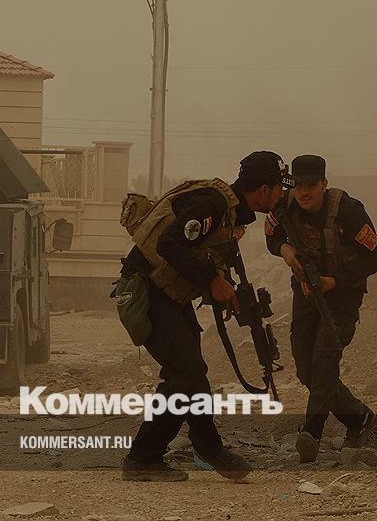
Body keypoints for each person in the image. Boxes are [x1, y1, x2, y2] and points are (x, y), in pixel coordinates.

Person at [117, 151, 287, 482]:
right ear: (264, 189)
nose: (282, 195)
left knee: (192, 372)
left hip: (169, 294)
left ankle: (209, 448)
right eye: (279, 187)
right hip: (146, 290)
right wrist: (212, 281)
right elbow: (170, 244)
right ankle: (143, 457)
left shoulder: (231, 215)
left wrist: (224, 289)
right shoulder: (214, 204)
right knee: (185, 372)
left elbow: (199, 255)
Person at [264, 154, 377, 463]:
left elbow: (376, 258)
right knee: (306, 367)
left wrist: (336, 281)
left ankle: (312, 432)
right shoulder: (285, 205)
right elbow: (272, 234)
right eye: (299, 185)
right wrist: (284, 249)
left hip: (342, 295)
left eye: (311, 186)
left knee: (325, 358)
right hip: (306, 290)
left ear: (324, 184)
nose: (304, 192)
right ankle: (359, 419)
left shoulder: (347, 211)